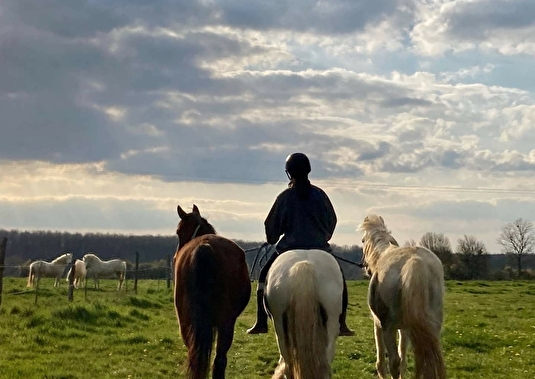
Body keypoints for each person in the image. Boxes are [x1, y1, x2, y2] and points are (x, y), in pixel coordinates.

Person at [247, 152, 354, 336]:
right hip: (320, 247)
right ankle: (341, 323)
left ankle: (261, 321)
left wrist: (272, 239)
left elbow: (271, 225)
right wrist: (323, 237)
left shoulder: (285, 197)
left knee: (264, 276)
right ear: (308, 171)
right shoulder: (320, 195)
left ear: (289, 173)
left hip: (288, 248)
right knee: (340, 280)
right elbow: (332, 220)